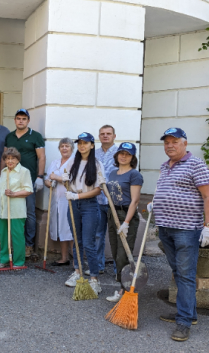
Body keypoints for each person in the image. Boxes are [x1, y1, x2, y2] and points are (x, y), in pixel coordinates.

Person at [149, 128, 209, 342]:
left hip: (186, 230)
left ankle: (184, 322)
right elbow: (164, 190)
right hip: (165, 228)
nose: (170, 145)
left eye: (174, 141)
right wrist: (155, 203)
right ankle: (188, 313)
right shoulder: (164, 166)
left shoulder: (196, 164)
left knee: (185, 275)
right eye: (166, 142)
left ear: (184, 143)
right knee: (178, 272)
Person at [62, 132, 104, 295]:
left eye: (86, 143)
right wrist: (64, 179)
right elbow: (67, 182)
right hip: (73, 205)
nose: (82, 145)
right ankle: (78, 271)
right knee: (77, 241)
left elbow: (98, 190)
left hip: (89, 205)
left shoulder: (97, 164)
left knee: (88, 243)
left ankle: (94, 279)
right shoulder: (72, 161)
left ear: (92, 145)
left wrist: (77, 195)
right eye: (80, 143)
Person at [3, 108, 46, 257]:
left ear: (28, 120)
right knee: (13, 212)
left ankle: (28, 245)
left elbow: (41, 157)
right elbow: (5, 157)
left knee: (29, 213)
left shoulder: (36, 136)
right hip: (12, 180)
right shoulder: (9, 137)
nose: (21, 121)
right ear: (15, 120)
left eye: (24, 118)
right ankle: (14, 244)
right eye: (18, 118)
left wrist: (40, 176)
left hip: (29, 180)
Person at [104, 142, 143, 303]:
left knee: (123, 255)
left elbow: (135, 201)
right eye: (121, 153)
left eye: (127, 154)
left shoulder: (134, 175)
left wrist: (126, 223)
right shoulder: (113, 173)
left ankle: (125, 289)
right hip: (112, 214)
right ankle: (122, 286)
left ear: (132, 157)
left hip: (126, 214)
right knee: (115, 252)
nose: (123, 156)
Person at [0, 148, 33, 269]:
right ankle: (4, 259)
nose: (10, 161)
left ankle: (18, 261)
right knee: (4, 236)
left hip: (16, 210)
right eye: (7, 158)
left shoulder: (24, 171)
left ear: (17, 160)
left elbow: (29, 190)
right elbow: (0, 192)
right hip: (2, 209)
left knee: (17, 236)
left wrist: (14, 194)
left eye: (13, 158)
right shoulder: (4, 171)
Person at [44, 138, 74, 266]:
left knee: (70, 229)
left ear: (72, 148)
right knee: (61, 228)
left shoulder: (74, 163)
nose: (64, 148)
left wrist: (56, 177)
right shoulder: (55, 162)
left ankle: (76, 261)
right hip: (56, 200)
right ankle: (64, 257)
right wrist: (48, 182)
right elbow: (47, 178)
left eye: (67, 146)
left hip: (69, 201)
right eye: (62, 146)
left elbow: (72, 180)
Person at [94, 124, 118, 275]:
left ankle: (118, 269)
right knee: (97, 235)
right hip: (97, 200)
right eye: (102, 133)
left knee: (116, 235)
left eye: (108, 133)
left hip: (114, 201)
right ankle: (98, 266)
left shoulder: (120, 153)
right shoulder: (94, 154)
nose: (105, 136)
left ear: (114, 136)